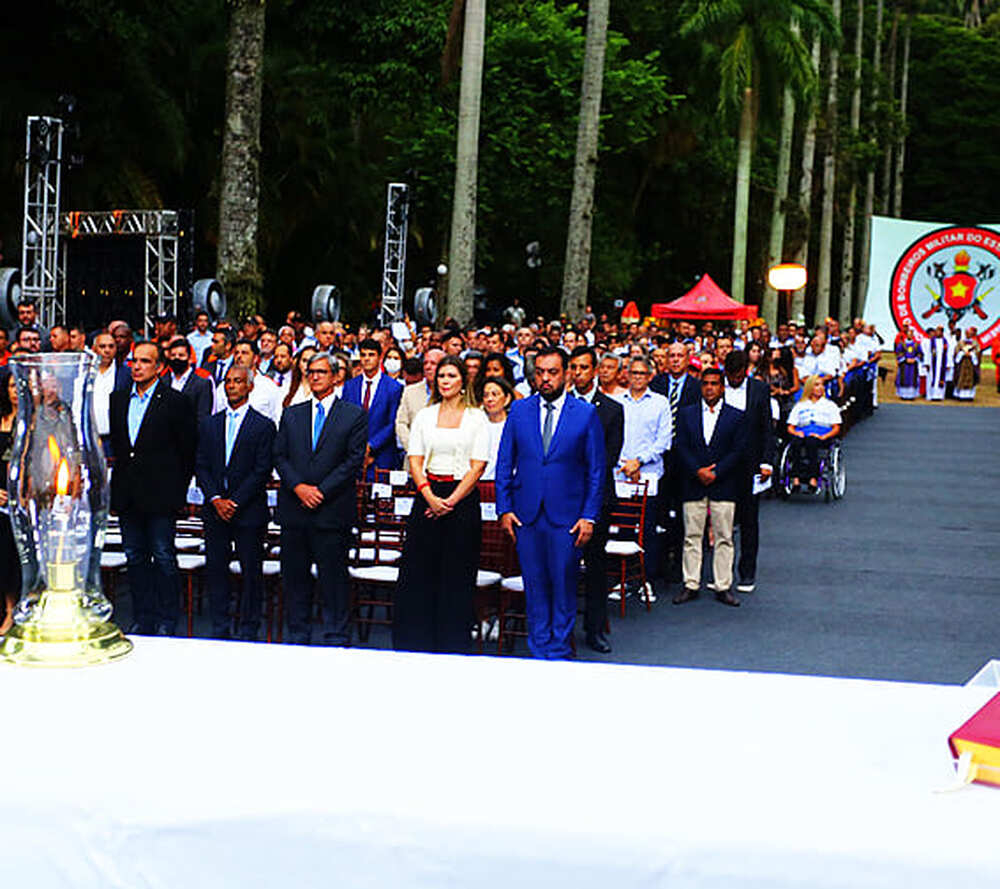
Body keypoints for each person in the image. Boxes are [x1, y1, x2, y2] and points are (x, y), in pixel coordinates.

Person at [496, 346, 604, 659]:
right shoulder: (519, 411)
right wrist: (505, 508)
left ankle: (558, 650)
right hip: (526, 515)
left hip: (567, 516)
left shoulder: (585, 414)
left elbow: (596, 470)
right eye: (540, 372)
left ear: (567, 374)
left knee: (563, 583)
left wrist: (589, 516)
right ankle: (539, 648)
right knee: (535, 585)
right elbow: (505, 462)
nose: (545, 378)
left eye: (552, 372)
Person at [394, 356, 489, 653]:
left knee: (456, 574)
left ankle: (452, 644)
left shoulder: (477, 417)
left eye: (451, 375)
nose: (445, 380)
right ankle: (416, 642)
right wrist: (430, 496)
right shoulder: (424, 415)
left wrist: (450, 501)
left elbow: (478, 466)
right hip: (426, 496)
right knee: (419, 572)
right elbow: (415, 458)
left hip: (461, 499)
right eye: (441, 376)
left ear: (463, 381)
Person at [274, 352, 367, 645]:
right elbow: (279, 456)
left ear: (336, 376)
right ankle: (298, 634)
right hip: (295, 509)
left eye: (321, 372)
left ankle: (336, 635)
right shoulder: (292, 412)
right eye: (310, 371)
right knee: (295, 578)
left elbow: (353, 461)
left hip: (332, 510)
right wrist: (299, 487)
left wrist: (321, 491)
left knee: (333, 580)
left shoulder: (353, 414)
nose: (314, 376)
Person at [109, 342, 197, 635]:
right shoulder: (118, 399)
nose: (136, 366)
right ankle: (142, 617)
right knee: (134, 557)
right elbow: (123, 450)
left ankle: (167, 619)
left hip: (161, 495)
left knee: (162, 557)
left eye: (145, 361)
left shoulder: (175, 402)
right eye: (134, 360)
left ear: (159, 367)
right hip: (128, 495)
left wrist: (177, 491)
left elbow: (187, 452)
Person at [196, 364, 276, 640]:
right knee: (216, 569)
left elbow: (262, 469)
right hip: (215, 509)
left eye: (238, 381)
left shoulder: (263, 426)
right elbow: (202, 465)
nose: (232, 386)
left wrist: (235, 501)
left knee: (251, 572)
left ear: (249, 386)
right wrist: (217, 499)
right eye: (228, 381)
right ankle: (220, 625)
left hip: (248, 510)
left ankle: (248, 627)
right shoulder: (210, 424)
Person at [672, 367, 746, 608]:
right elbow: (680, 446)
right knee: (692, 536)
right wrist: (698, 471)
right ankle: (691, 583)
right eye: (706, 384)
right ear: (700, 386)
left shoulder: (735, 416)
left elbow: (738, 451)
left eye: (715, 383)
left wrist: (717, 472)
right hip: (693, 483)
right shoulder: (687, 414)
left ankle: (723, 585)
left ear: (722, 387)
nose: (710, 388)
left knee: (724, 537)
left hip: (724, 484)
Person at [568, 346, 624, 654]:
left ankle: (595, 629)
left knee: (596, 566)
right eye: (574, 367)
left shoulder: (612, 409)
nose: (578, 373)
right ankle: (561, 628)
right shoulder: (560, 405)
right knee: (563, 565)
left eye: (584, 367)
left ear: (595, 371)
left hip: (597, 498)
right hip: (562, 499)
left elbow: (608, 458)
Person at [615, 356, 672, 598]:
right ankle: (625, 579)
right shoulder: (617, 402)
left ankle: (646, 579)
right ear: (627, 375)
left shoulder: (660, 403)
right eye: (633, 373)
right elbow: (611, 438)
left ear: (650, 376)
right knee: (623, 528)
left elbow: (664, 441)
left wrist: (639, 461)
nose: (637, 377)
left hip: (648, 474)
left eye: (642, 373)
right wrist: (625, 464)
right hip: (620, 474)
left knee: (647, 529)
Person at [723, 350, 774, 594]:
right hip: (721, 463)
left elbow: (766, 429)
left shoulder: (760, 390)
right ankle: (721, 574)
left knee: (749, 521)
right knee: (721, 521)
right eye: (730, 375)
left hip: (750, 464)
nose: (734, 379)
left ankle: (747, 572)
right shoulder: (714, 387)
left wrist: (767, 462)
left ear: (746, 371)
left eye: (738, 375)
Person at [650, 342, 701, 582]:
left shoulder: (696, 387)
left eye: (680, 356)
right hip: (659, 458)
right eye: (671, 356)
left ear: (688, 358)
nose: (675, 360)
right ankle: (657, 562)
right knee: (659, 511)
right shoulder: (656, 384)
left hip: (685, 458)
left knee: (682, 514)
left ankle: (680, 564)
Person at [343, 337, 403, 478]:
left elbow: (392, 423)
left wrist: (371, 446)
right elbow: (344, 420)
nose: (367, 359)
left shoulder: (393, 387)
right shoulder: (350, 386)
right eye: (363, 355)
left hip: (382, 456)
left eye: (371, 355)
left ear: (380, 357)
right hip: (353, 456)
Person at [786, 375, 841, 491]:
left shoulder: (830, 406)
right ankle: (796, 477)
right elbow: (790, 426)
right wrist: (796, 433)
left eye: (822, 385)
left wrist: (824, 436)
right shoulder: (800, 405)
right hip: (803, 432)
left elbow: (836, 427)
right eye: (817, 385)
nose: (820, 388)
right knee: (795, 443)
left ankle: (813, 478)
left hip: (822, 433)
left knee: (812, 442)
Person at [0, 369, 20, 633]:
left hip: (21, 498)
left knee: (14, 555)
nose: (16, 390)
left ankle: (12, 610)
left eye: (20, 385)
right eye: (11, 385)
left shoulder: (35, 420)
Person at [396, 348, 444, 455]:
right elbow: (401, 423)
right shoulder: (410, 391)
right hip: (413, 457)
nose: (428, 367)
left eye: (433, 363)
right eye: (426, 363)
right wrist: (413, 449)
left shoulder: (454, 394)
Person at [165, 336, 213, 425]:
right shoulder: (163, 381)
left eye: (181, 355)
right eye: (173, 355)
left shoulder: (202, 384)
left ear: (190, 358)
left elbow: (202, 418)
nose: (177, 358)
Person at [480, 376, 514, 481]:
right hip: (480, 482)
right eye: (486, 395)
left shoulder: (513, 425)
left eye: (495, 394)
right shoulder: (478, 425)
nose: (490, 399)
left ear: (507, 398)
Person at [282, 345, 318, 409]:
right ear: (299, 363)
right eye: (304, 361)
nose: (307, 365)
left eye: (312, 361)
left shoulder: (323, 389)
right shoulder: (286, 387)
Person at [921, 326, 951, 401]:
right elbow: (928, 353)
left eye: (940, 331)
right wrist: (927, 363)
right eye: (937, 331)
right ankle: (931, 395)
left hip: (942, 364)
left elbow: (948, 354)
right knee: (931, 378)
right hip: (932, 364)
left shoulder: (945, 342)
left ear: (942, 332)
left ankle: (939, 396)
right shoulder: (931, 341)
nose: (938, 332)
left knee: (941, 379)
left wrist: (948, 364)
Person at [953, 328, 980, 401]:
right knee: (962, 377)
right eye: (967, 333)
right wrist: (962, 353)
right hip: (963, 364)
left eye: (970, 333)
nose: (968, 334)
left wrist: (971, 354)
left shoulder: (974, 342)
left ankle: (969, 396)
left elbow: (977, 352)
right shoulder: (961, 342)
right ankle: (961, 395)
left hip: (971, 364)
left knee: (970, 378)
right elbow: (956, 351)